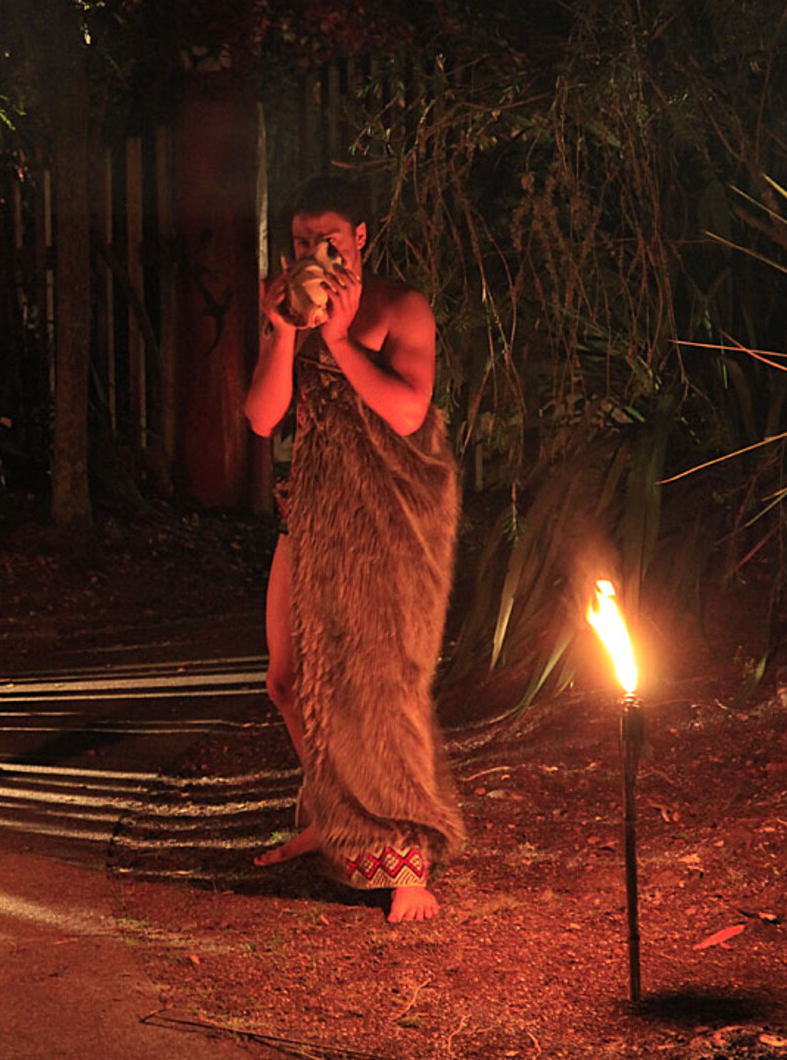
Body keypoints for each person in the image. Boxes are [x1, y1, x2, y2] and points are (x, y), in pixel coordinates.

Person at [245, 177, 465, 922]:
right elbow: (262, 417)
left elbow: (408, 411)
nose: (315, 252)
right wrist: (284, 333)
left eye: (329, 239)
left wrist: (338, 339)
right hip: (312, 510)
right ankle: (333, 818)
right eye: (303, 240)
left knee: (379, 681)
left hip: (388, 516)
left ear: (361, 236)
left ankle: (408, 861)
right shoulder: (288, 305)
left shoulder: (400, 308)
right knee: (287, 677)